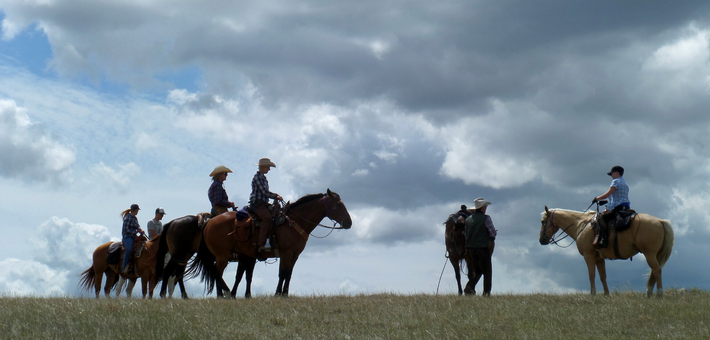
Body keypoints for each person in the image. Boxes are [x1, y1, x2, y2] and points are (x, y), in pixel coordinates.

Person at [464, 197, 497, 296]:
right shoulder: (486, 218)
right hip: (482, 248)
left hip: (471, 249)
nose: (486, 208)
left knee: (478, 270)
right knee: (487, 271)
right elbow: (493, 233)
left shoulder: (468, 220)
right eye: (485, 206)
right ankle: (486, 293)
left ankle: (469, 287)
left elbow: (466, 235)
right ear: (482, 207)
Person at [249, 158, 283, 253]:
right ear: (263, 167)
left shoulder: (263, 178)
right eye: (268, 167)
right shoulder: (257, 177)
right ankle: (261, 244)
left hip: (263, 203)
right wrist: (276, 196)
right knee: (267, 218)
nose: (269, 169)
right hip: (257, 203)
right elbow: (264, 192)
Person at [592, 165, 630, 248]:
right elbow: (618, 197)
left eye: (612, 174)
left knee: (600, 218)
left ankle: (604, 240)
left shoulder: (616, 181)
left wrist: (596, 198)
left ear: (617, 173)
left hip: (618, 207)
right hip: (625, 207)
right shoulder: (625, 184)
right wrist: (606, 202)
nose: (611, 176)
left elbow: (608, 194)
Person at [121, 204, 145, 274]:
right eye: (137, 210)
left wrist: (140, 230)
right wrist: (134, 232)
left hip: (133, 236)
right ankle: (124, 267)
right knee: (128, 249)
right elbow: (126, 229)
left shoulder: (135, 218)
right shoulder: (128, 218)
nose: (138, 212)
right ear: (135, 210)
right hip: (127, 236)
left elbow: (138, 226)